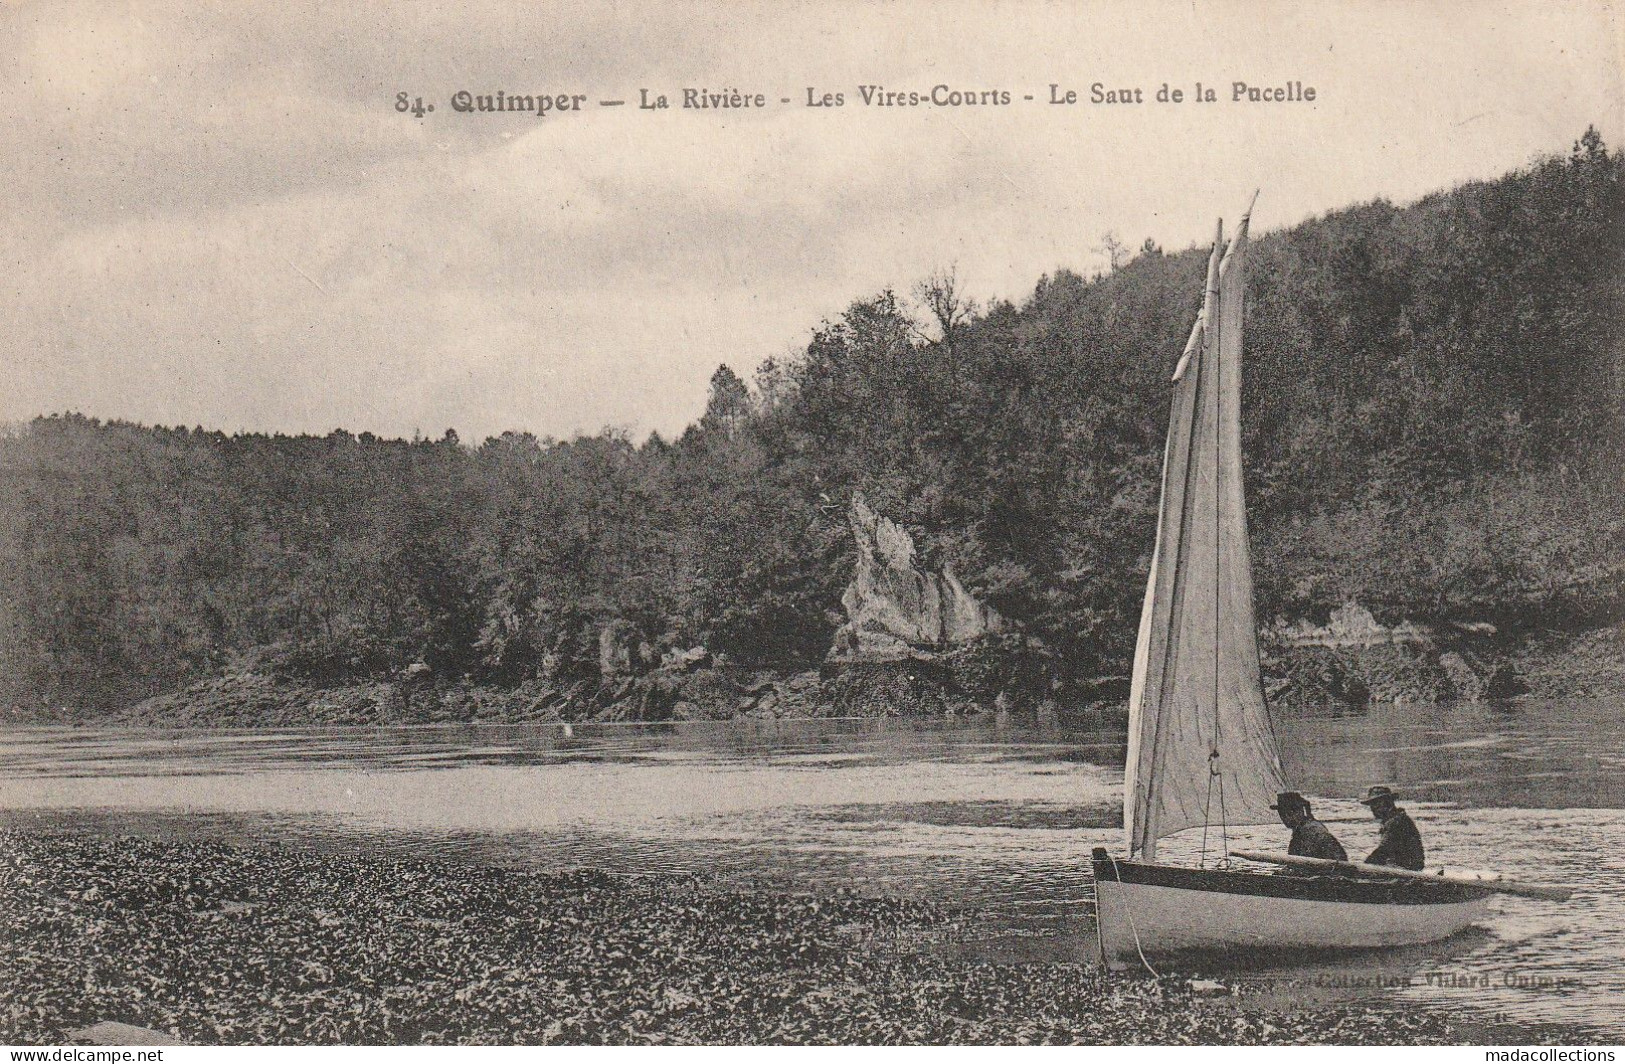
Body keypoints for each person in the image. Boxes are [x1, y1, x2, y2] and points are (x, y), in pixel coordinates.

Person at [1271, 791, 1348, 866]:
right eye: (1282, 815)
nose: (1285, 818)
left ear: (1299, 812)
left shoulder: (1310, 830)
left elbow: (1303, 863)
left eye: (1288, 814)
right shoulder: (1301, 829)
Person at [1360, 785, 1425, 871]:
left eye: (1376, 803)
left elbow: (1383, 851)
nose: (1373, 808)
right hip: (1402, 867)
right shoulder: (1396, 818)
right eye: (1372, 805)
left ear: (1388, 802)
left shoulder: (1396, 822)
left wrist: (1363, 867)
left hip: (1406, 870)